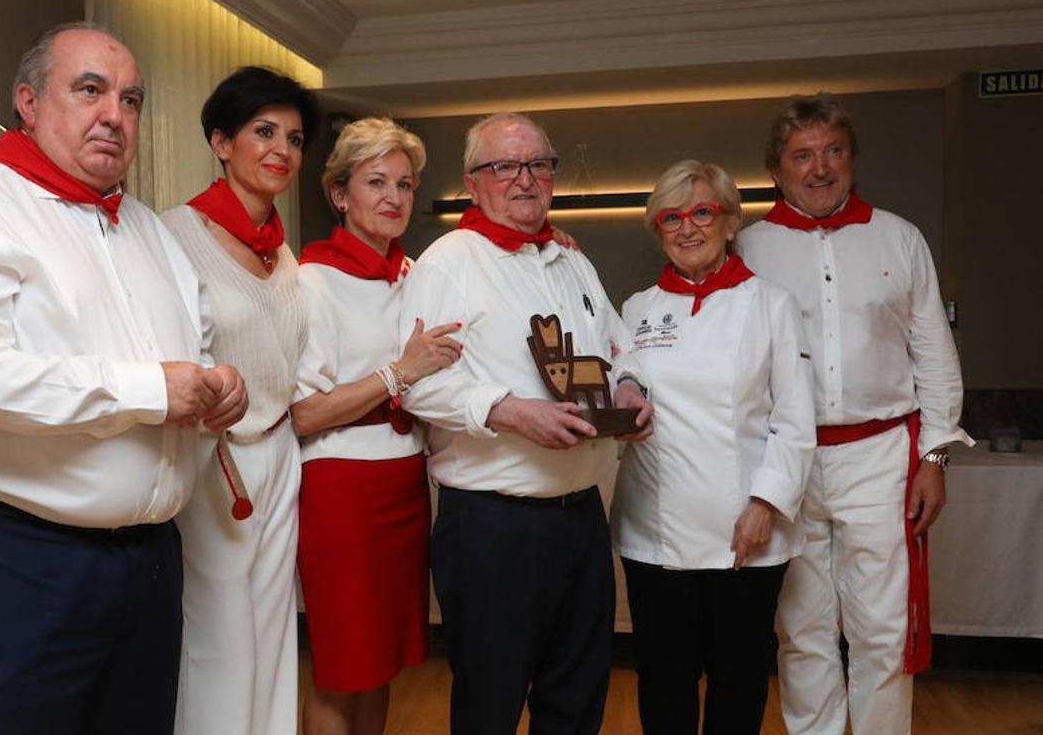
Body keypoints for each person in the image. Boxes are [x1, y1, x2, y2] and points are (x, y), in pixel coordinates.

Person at [0, 22, 246, 735]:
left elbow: (189, 355)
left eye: (132, 99)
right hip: (20, 559)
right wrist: (150, 391)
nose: (115, 114)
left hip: (148, 559)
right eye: (90, 90)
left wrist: (216, 387)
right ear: (27, 100)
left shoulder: (149, 230)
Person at [397, 112, 653, 735]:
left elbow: (622, 347)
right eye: (504, 166)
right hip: (492, 526)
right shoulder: (446, 263)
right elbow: (418, 384)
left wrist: (631, 389)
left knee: (577, 697)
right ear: (472, 180)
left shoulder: (572, 262)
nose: (524, 179)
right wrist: (512, 410)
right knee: (490, 702)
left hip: (582, 518)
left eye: (539, 164)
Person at [737, 93, 973, 735]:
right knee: (802, 628)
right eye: (802, 155)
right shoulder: (746, 248)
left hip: (880, 454)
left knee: (881, 627)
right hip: (788, 460)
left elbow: (934, 353)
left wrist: (934, 456)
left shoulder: (900, 237)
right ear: (777, 170)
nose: (820, 169)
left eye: (833, 151)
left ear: (853, 159)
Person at [611, 159, 815, 735]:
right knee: (663, 679)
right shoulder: (636, 309)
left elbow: (795, 421)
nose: (687, 227)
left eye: (703, 211)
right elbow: (623, 386)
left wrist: (765, 505)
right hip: (656, 533)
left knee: (739, 678)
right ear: (657, 229)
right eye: (671, 217)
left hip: (744, 531)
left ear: (730, 222)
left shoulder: (772, 304)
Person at [159, 65, 320, 735]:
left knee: (276, 629)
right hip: (212, 456)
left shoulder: (283, 253)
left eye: (294, 137)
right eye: (264, 131)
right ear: (222, 142)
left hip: (282, 449)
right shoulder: (173, 235)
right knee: (221, 634)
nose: (283, 149)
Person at [292, 117, 462, 735]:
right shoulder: (312, 281)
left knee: (385, 663)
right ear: (340, 194)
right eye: (376, 182)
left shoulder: (415, 273)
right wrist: (398, 374)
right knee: (343, 667)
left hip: (406, 486)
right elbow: (303, 413)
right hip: (341, 490)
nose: (393, 197)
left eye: (406, 184)